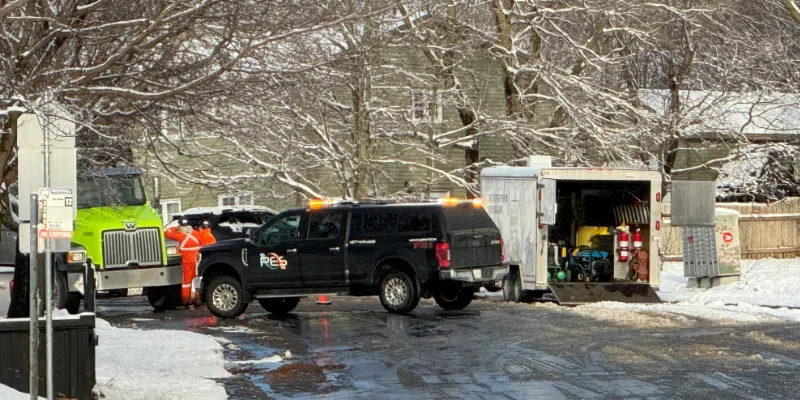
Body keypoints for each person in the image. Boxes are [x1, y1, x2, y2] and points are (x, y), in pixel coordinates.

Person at [164, 218, 208, 306]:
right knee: (198, 279)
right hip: (198, 260)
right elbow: (204, 243)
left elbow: (166, 232)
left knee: (186, 282)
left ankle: (186, 300)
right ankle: (198, 299)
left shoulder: (178, 234)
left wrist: (175, 228)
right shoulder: (195, 233)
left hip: (187, 261)